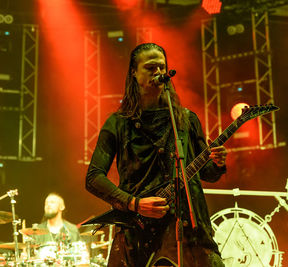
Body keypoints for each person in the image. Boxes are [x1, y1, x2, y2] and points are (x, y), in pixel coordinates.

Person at [85, 43, 228, 267]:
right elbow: (93, 177)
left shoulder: (186, 119)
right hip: (139, 232)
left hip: (190, 230)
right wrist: (134, 203)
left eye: (162, 67)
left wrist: (217, 163)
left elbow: (207, 174)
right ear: (134, 73)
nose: (158, 73)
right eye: (150, 68)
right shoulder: (118, 123)